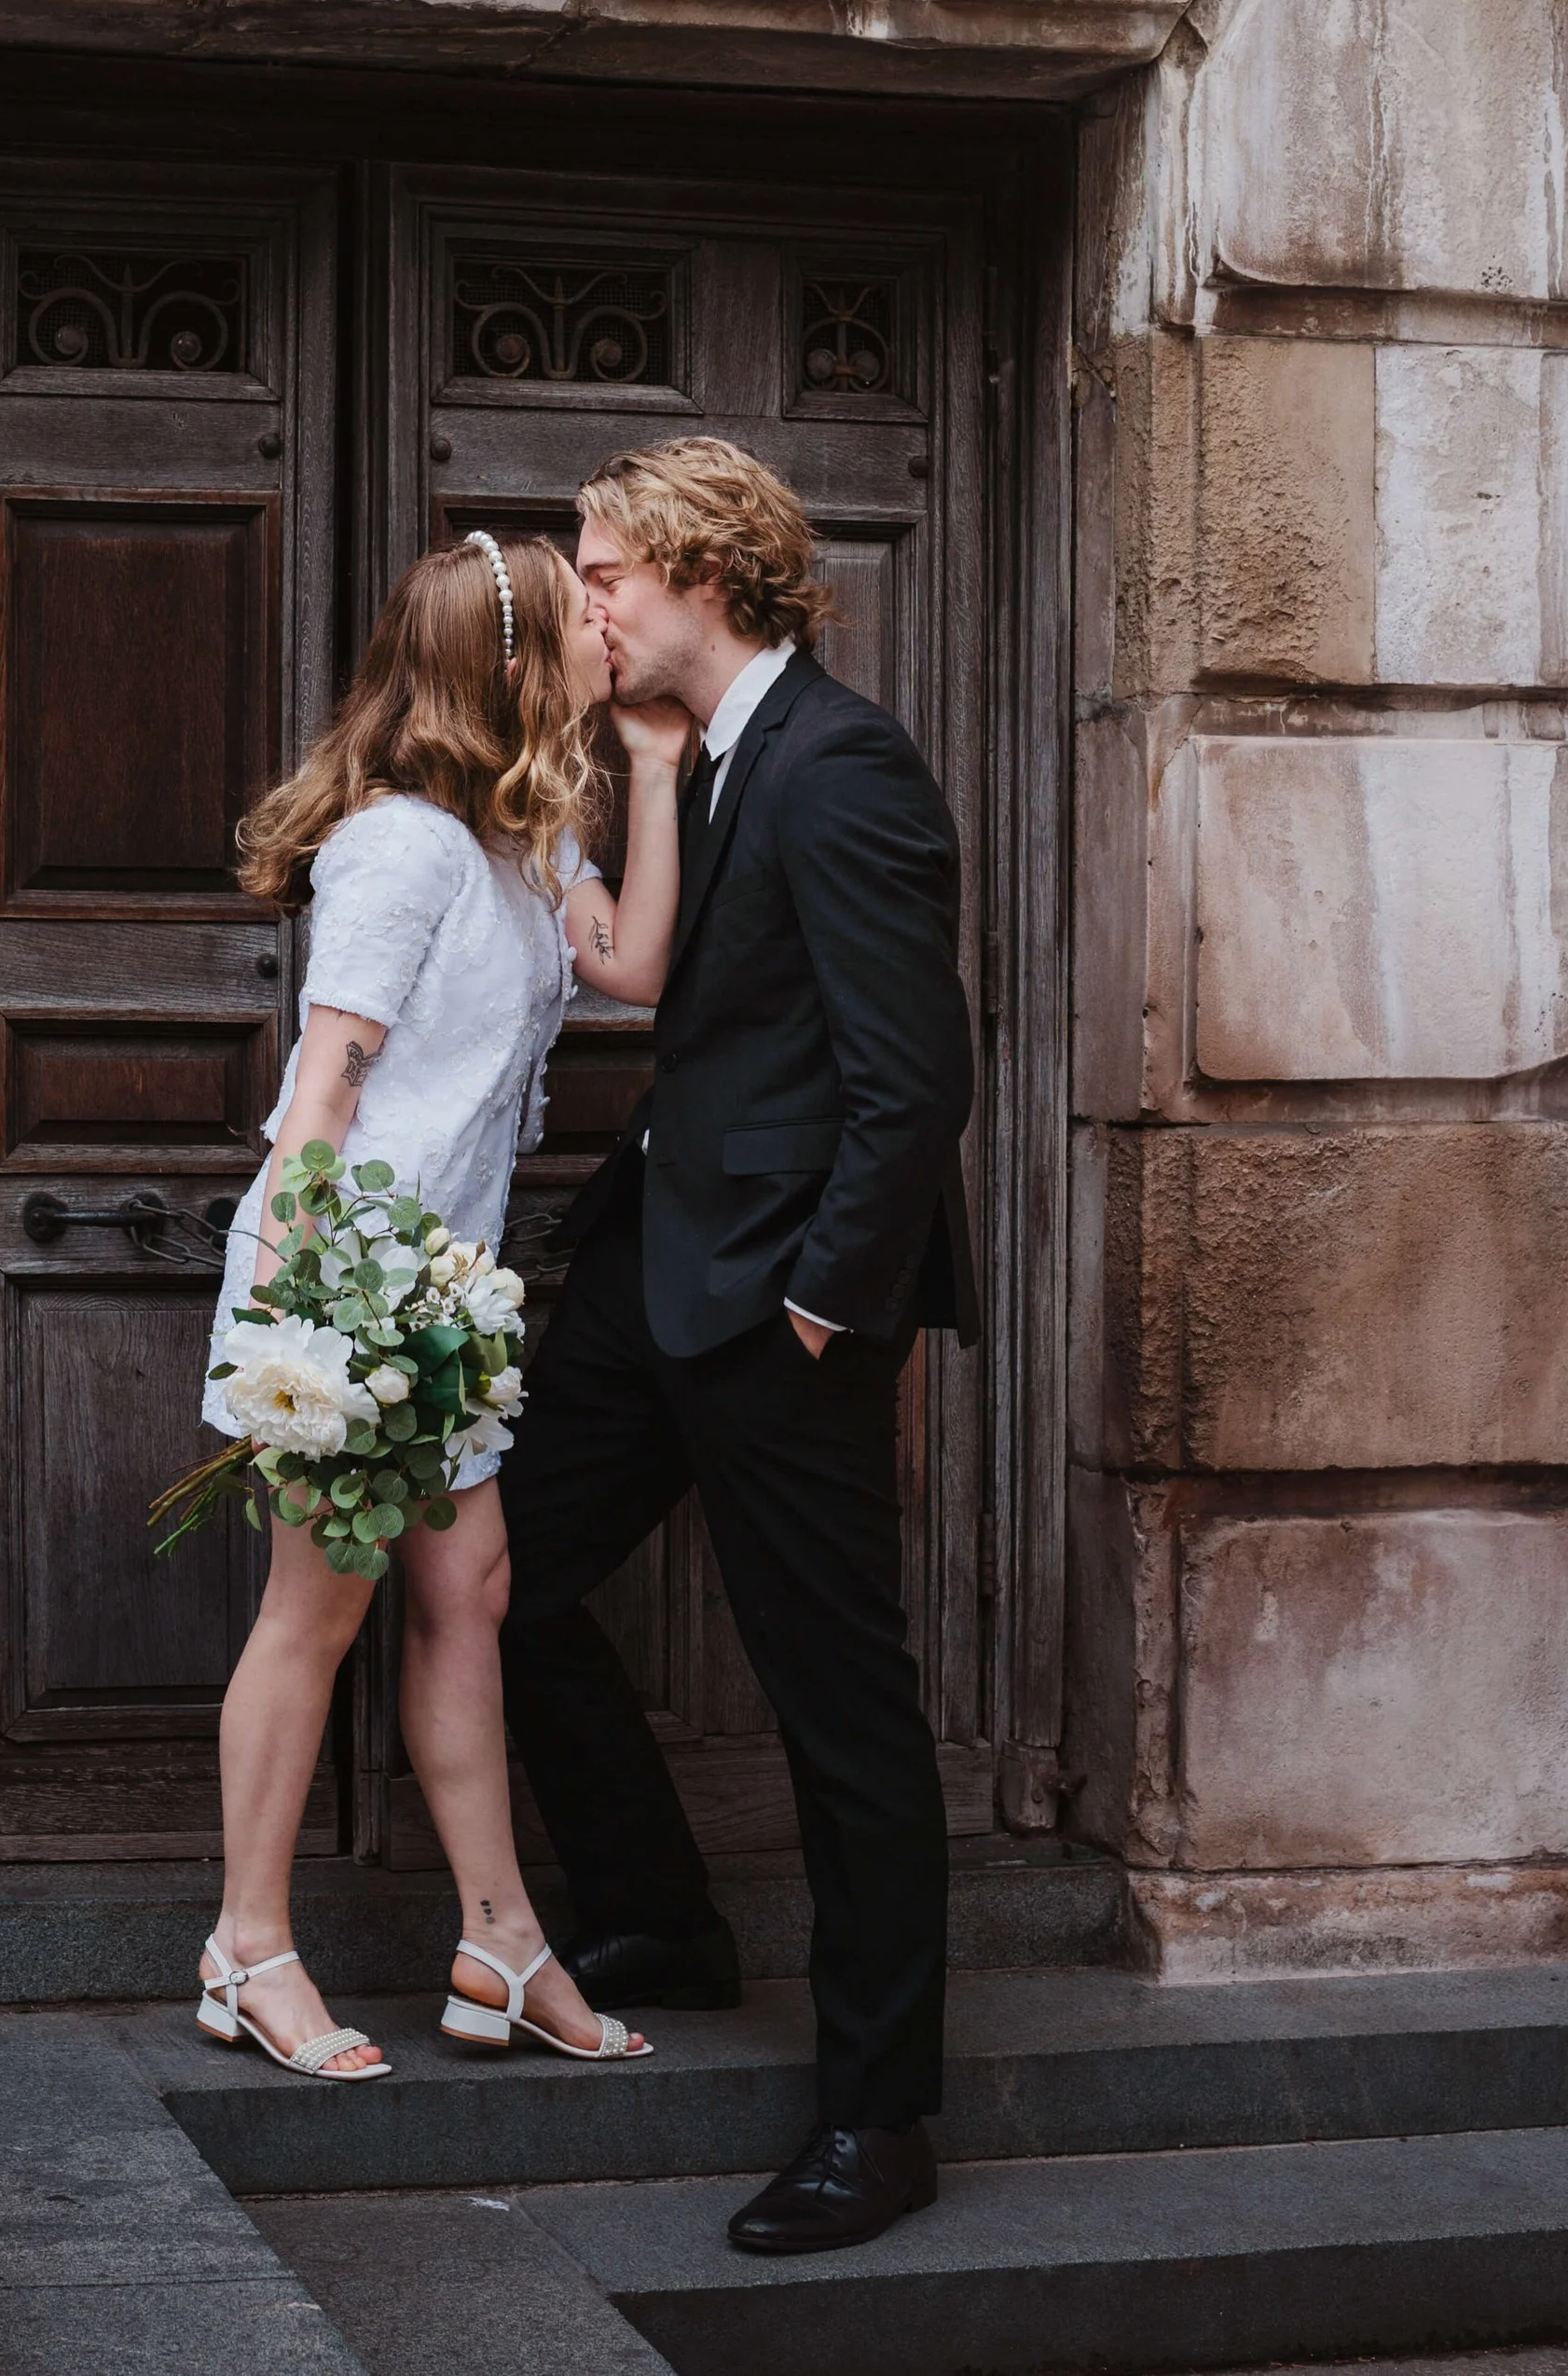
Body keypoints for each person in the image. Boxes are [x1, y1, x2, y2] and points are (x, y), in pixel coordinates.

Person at [497, 437, 977, 2252]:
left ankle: (877, 2120)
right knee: (492, 1580)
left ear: (706, 571)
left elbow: (908, 1079)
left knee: (839, 1713)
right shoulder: (695, 761)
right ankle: (662, 1915)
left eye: (604, 568)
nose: (582, 598)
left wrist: (816, 1307)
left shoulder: (840, 767)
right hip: (648, 1277)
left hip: (777, 1314)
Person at [195, 530, 691, 2079]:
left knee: (468, 1593)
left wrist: (657, 762)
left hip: (446, 1307)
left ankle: (500, 1936)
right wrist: (298, 1330)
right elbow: (323, 1094)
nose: (604, 631)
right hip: (346, 1292)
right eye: (574, 619)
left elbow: (642, 966)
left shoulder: (524, 846)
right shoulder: (403, 847)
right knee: (316, 1610)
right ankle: (246, 1948)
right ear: (515, 663)